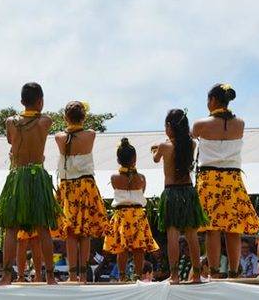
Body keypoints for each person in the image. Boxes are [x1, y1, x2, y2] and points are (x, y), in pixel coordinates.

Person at [192, 83, 259, 279]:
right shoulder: (240, 123)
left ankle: (213, 272)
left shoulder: (200, 124)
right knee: (233, 227)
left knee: (212, 228)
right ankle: (234, 272)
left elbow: (189, 141)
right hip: (232, 178)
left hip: (209, 178)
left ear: (213, 100)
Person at [0, 83, 62, 285]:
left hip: (17, 176)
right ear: (40, 101)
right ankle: (50, 277)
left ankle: (7, 275)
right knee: (43, 229)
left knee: (11, 228)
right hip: (37, 177)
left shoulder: (11, 122)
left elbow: (10, 141)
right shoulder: (45, 121)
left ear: (21, 101)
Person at [54, 101, 109, 283]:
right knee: (84, 232)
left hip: (69, 187)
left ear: (65, 117)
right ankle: (84, 276)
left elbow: (65, 133)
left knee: (70, 233)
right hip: (86, 186)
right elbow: (84, 131)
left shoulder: (60, 137)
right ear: (84, 117)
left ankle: (72, 275)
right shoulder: (90, 135)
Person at [152, 109, 207, 284]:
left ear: (169, 126)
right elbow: (185, 142)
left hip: (172, 192)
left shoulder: (164, 146)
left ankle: (174, 276)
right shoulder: (191, 144)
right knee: (192, 236)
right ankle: (197, 275)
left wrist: (155, 148)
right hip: (188, 191)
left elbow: (155, 158)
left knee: (173, 236)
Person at [104, 138, 160, 282]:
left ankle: (122, 277)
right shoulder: (141, 178)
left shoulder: (114, 177)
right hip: (137, 214)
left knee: (121, 249)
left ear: (118, 159)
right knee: (138, 248)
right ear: (135, 159)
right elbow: (142, 192)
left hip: (122, 215)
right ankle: (138, 276)